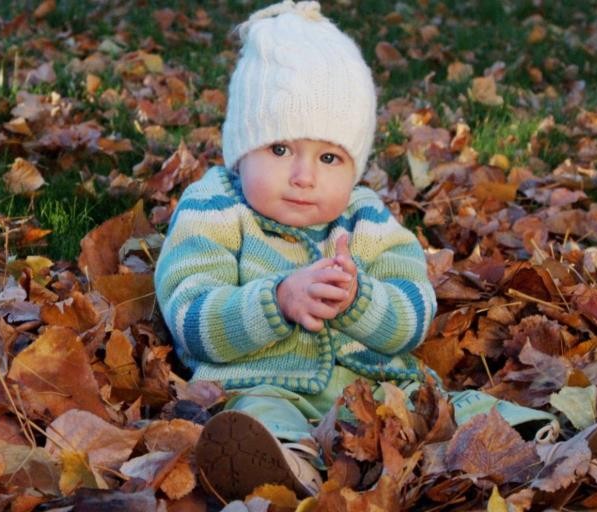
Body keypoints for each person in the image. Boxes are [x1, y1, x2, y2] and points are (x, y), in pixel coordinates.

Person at [154, 0, 436, 499]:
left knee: (440, 406)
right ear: (242, 151)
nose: (304, 176)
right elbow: (190, 317)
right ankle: (287, 469)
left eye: (329, 157)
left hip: (371, 386)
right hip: (260, 382)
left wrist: (360, 300)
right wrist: (277, 300)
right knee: (254, 419)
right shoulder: (215, 205)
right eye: (280, 149)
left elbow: (414, 315)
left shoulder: (366, 216)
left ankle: (528, 438)